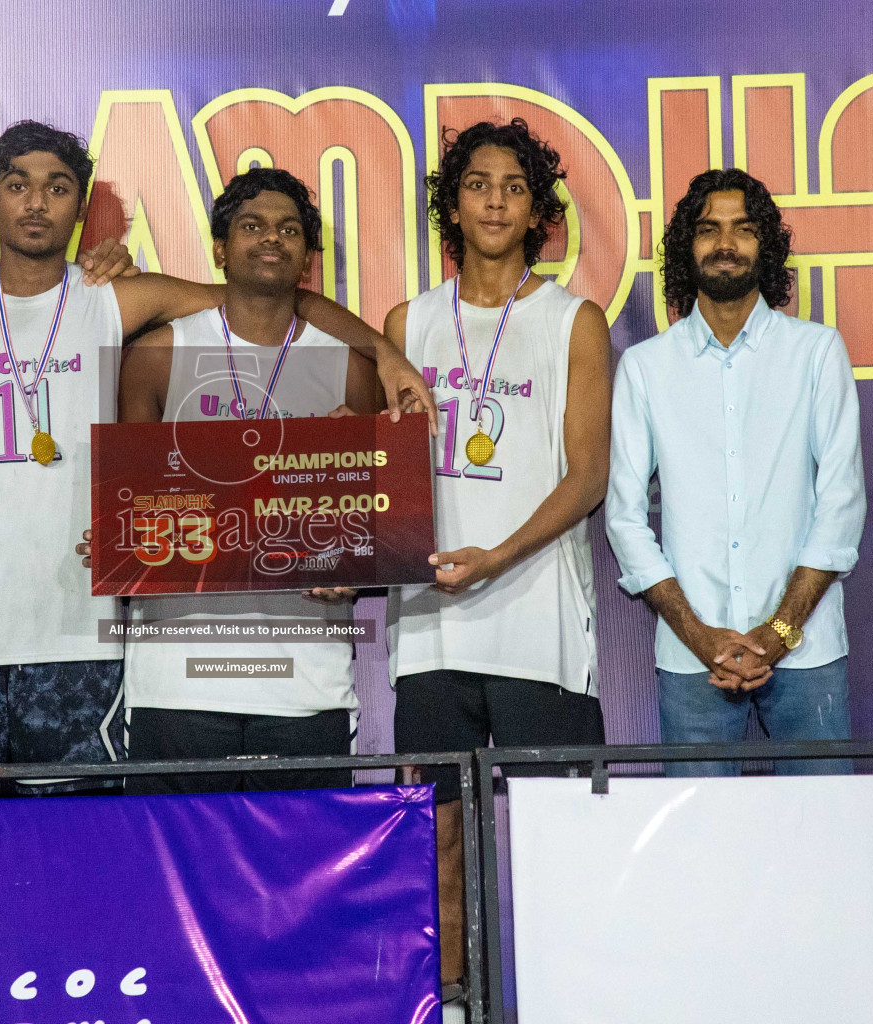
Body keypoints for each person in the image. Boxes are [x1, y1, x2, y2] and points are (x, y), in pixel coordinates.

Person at [0, 122, 434, 797]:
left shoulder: (117, 300)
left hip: (76, 631)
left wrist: (383, 352)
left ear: (79, 204)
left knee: (78, 849)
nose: (36, 202)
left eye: (56, 187)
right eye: (17, 185)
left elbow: (267, 298)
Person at [384, 120, 613, 983]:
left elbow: (587, 476)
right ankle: (451, 999)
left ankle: (574, 995)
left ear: (536, 209)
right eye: (477, 182)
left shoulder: (573, 322)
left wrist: (499, 556)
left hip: (538, 625)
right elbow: (379, 476)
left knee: (561, 833)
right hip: (432, 630)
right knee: (439, 831)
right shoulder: (409, 320)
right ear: (453, 201)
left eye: (513, 186)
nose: (493, 199)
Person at [105, 167, 381, 794]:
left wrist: (350, 566)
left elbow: (368, 529)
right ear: (220, 248)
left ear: (307, 258)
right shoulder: (158, 355)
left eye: (289, 230)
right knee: (177, 880)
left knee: (298, 884)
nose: (271, 240)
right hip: (176, 676)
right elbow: (133, 506)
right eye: (252, 226)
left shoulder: (349, 371)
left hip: (306, 679)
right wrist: (117, 542)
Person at [607, 167, 865, 777]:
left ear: (765, 246)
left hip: (808, 651)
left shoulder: (816, 352)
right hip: (691, 658)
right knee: (701, 854)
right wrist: (700, 637)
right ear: (686, 248)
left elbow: (841, 505)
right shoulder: (646, 368)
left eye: (743, 230)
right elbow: (623, 518)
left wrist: (778, 632)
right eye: (708, 229)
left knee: (827, 841)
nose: (725, 244)